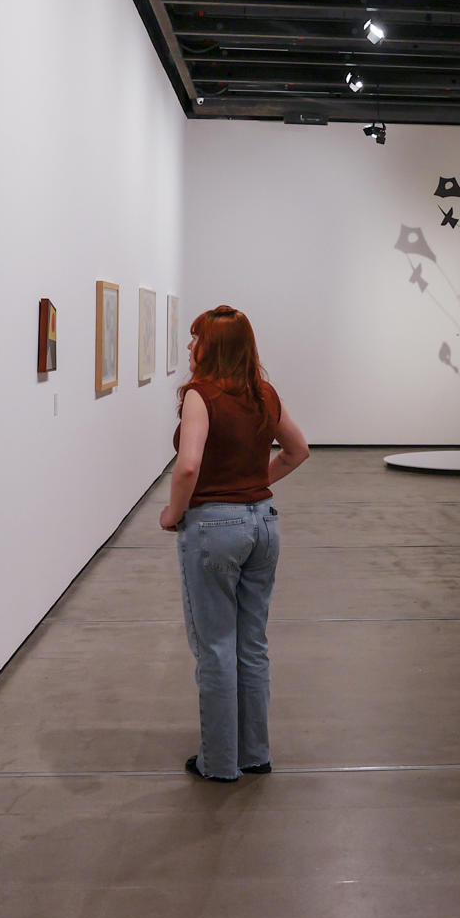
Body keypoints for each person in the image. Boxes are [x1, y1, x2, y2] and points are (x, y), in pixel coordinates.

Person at [159, 306, 310, 781]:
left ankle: (220, 762)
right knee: (252, 643)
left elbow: (188, 466)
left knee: (217, 646)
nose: (190, 346)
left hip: (213, 529)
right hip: (263, 524)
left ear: (213, 346)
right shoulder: (264, 394)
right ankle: (254, 752)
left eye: (196, 338)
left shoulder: (200, 396)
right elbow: (298, 450)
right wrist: (254, 482)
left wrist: (173, 512)